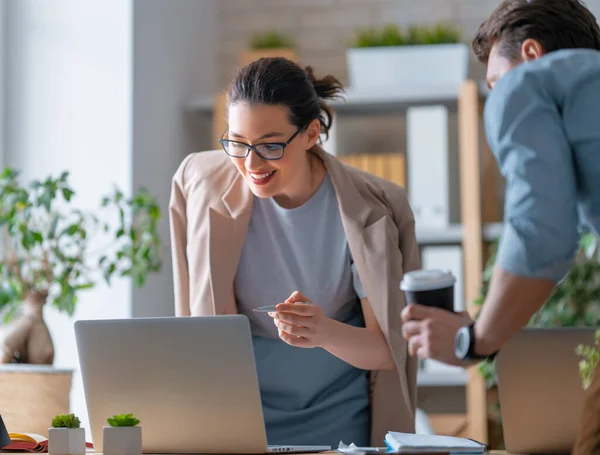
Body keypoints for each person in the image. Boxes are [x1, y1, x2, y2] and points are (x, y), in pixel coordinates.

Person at [169, 57, 420, 447]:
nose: (250, 164)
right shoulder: (202, 185)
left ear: (311, 133)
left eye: (270, 145)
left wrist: (323, 331)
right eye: (237, 143)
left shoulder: (367, 209)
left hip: (337, 423)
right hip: (236, 416)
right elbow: (194, 327)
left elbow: (391, 351)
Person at [400, 0, 600, 452]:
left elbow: (542, 234)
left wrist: (472, 341)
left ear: (530, 53)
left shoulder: (528, 83)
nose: (497, 96)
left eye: (494, 82)